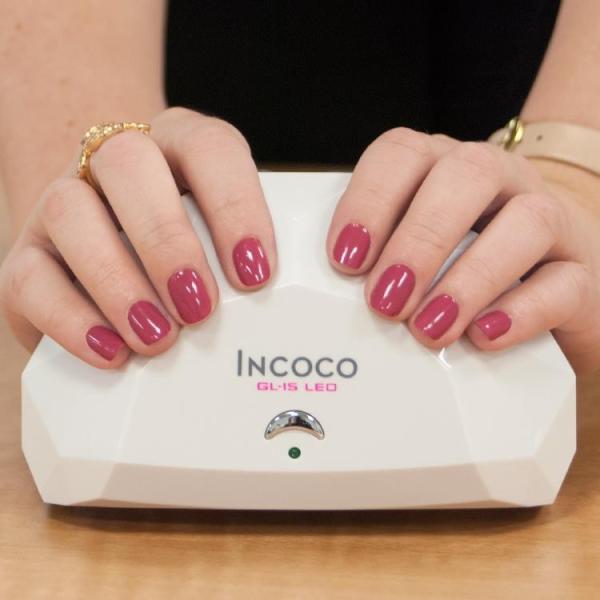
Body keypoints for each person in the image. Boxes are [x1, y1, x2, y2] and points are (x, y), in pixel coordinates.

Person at [0, 1, 599, 374]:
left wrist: (570, 195)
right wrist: (104, 207)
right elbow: (88, 163)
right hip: (195, 343)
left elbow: (572, 192)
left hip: (498, 276)